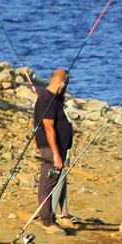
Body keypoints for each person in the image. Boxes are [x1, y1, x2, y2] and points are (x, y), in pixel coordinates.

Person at [34, 68, 75, 234]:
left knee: (54, 183)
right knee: (47, 184)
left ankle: (52, 216)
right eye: (66, 84)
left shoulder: (51, 98)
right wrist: (56, 154)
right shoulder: (46, 100)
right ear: (62, 82)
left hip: (57, 149)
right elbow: (49, 128)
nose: (66, 88)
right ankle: (48, 221)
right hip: (52, 150)